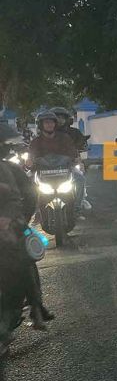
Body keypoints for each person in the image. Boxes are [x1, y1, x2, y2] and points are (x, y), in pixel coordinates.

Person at [0, 124, 54, 352]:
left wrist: (11, 220)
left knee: (23, 263)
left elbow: (23, 197)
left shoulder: (6, 170)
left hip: (10, 225)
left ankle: (36, 307)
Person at [50, 107, 89, 214]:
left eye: (62, 117)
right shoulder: (47, 133)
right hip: (49, 166)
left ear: (67, 119)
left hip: (69, 165)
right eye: (57, 118)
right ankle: (39, 208)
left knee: (80, 179)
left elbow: (82, 143)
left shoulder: (74, 132)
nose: (60, 120)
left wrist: (82, 147)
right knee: (34, 182)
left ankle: (77, 206)